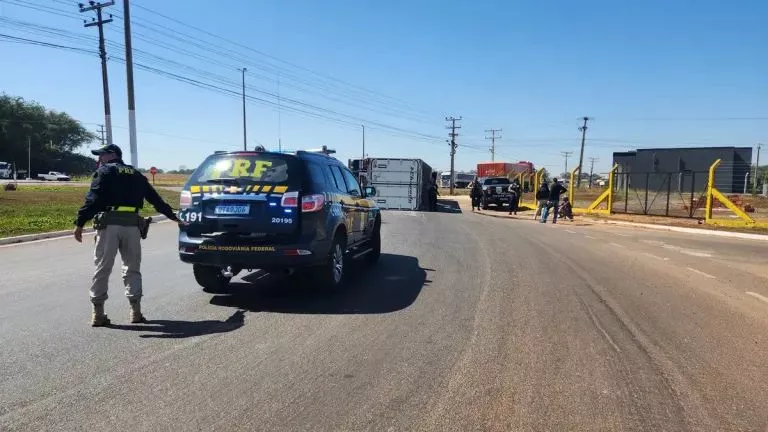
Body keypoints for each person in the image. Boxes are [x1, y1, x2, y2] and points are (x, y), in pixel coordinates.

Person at [74, 144, 185, 327]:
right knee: (132, 268)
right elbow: (155, 199)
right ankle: (136, 312)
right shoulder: (136, 174)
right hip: (132, 226)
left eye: (101, 155)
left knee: (103, 268)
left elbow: (93, 199)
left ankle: (98, 314)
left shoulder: (105, 172)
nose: (99, 159)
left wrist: (80, 223)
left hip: (109, 225)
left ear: (112, 155)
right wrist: (173, 217)